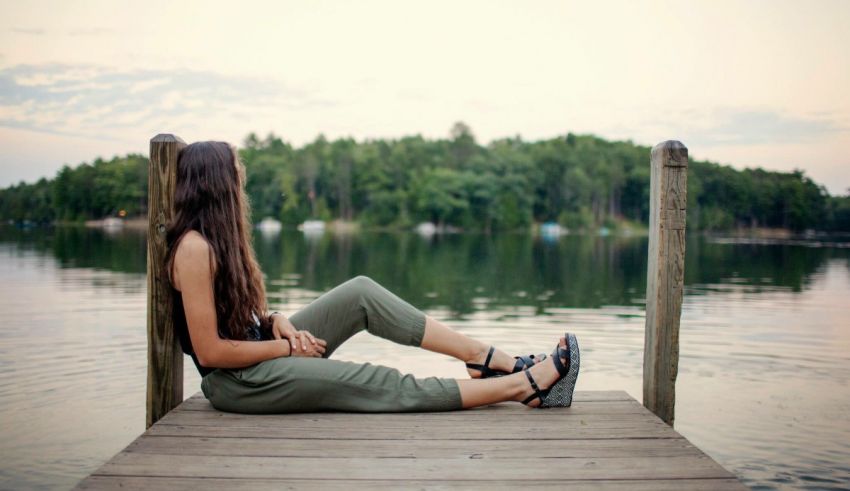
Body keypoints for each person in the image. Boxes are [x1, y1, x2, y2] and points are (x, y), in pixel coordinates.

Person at [164, 140, 580, 414]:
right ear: (216, 185)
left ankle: (486, 359)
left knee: (361, 292)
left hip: (263, 353)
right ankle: (522, 387)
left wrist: (281, 325)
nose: (242, 185)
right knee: (376, 382)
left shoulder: (219, 242)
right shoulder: (194, 248)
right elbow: (211, 353)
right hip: (238, 383)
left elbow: (244, 321)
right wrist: (286, 351)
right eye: (236, 176)